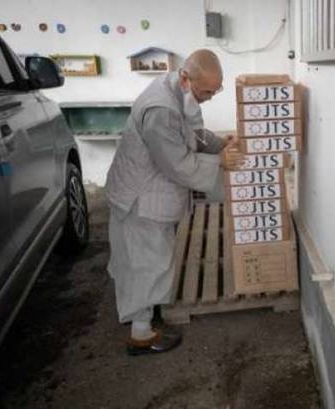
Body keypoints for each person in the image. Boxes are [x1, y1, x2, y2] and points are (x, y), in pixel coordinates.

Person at [104, 49, 244, 355]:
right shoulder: (161, 109)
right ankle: (141, 336)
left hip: (146, 190)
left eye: (215, 90)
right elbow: (177, 163)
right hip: (141, 197)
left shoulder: (179, 92)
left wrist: (222, 143)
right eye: (206, 90)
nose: (209, 96)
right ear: (185, 78)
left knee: (145, 260)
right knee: (147, 262)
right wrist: (221, 161)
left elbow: (192, 135)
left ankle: (145, 317)